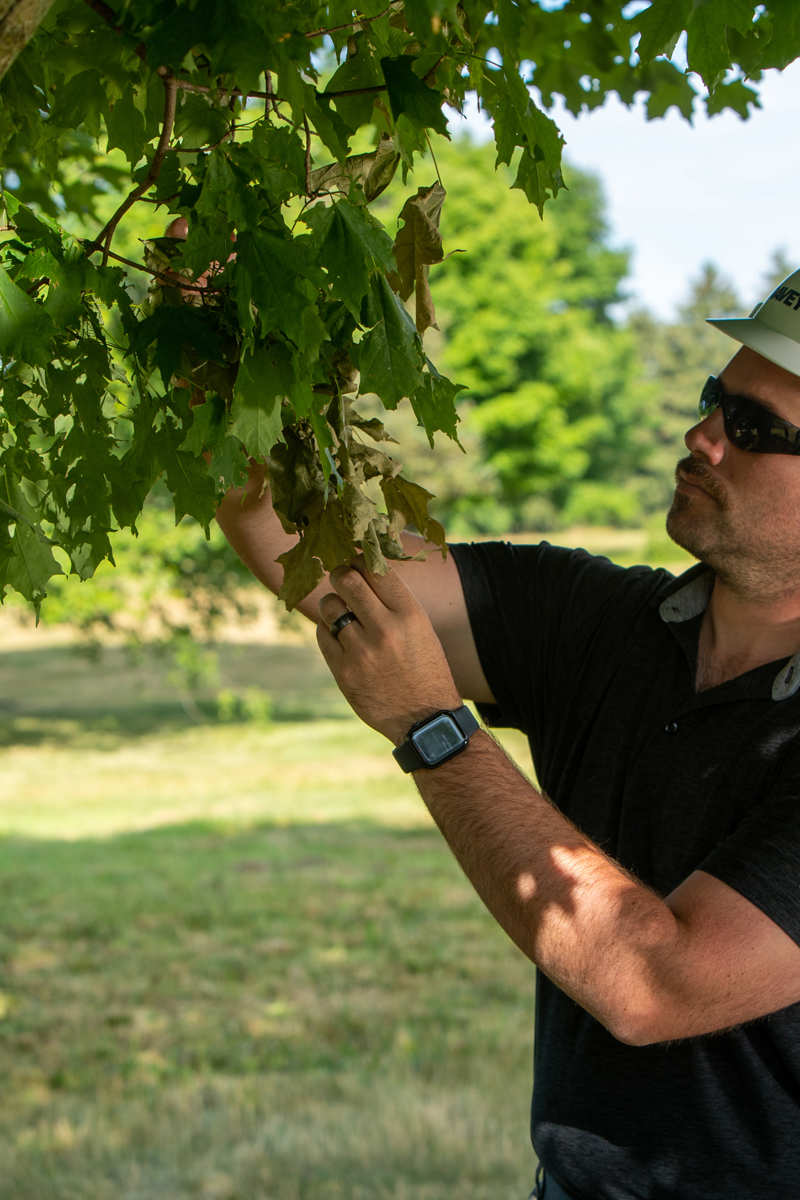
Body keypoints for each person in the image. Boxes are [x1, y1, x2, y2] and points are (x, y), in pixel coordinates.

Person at [215, 270, 800, 1199]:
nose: (702, 437)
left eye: (755, 429)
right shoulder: (601, 618)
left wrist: (432, 727)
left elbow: (660, 984)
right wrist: (230, 348)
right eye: (712, 401)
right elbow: (307, 548)